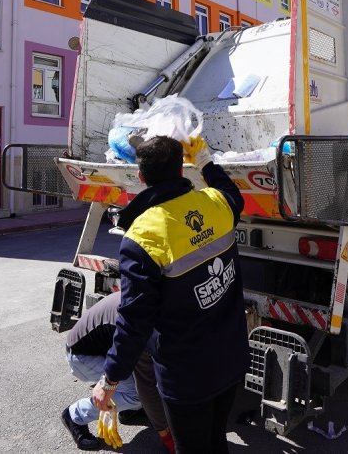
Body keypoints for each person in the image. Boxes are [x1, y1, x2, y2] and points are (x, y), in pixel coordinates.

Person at [91, 135, 247, 454]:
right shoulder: (215, 203)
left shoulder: (143, 237)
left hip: (187, 376)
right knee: (217, 440)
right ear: (181, 169)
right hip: (231, 357)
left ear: (142, 177)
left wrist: (109, 381)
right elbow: (233, 193)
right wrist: (204, 160)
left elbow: (134, 321)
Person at [62, 290, 174, 452]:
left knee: (147, 383)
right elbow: (146, 385)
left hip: (103, 347)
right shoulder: (140, 328)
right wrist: (165, 434)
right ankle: (74, 415)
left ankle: (128, 410)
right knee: (137, 394)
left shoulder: (151, 299)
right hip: (82, 357)